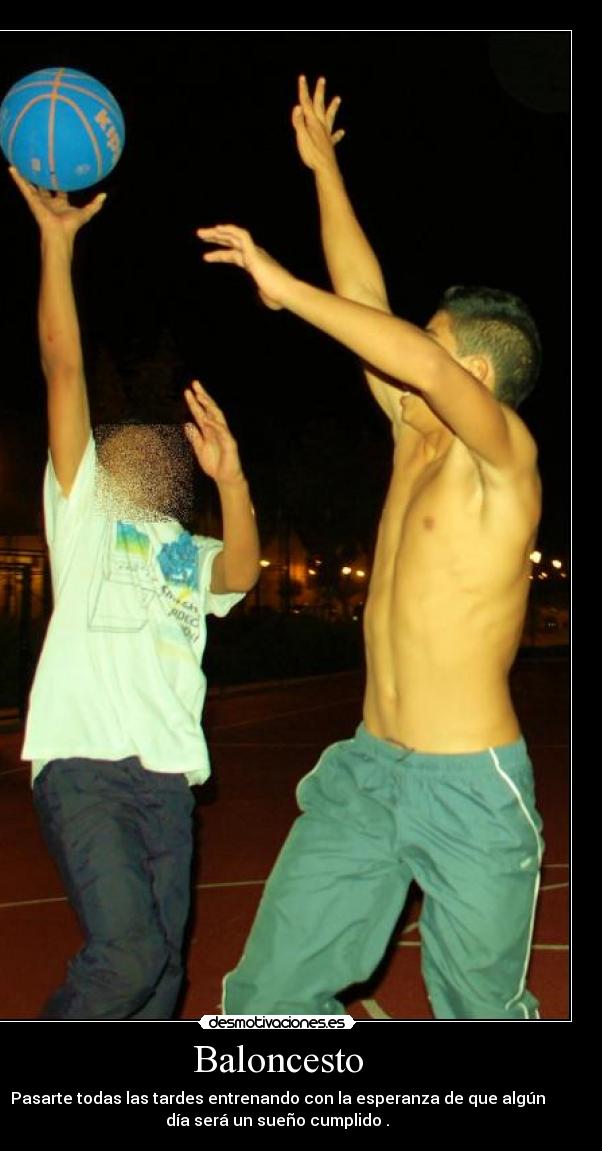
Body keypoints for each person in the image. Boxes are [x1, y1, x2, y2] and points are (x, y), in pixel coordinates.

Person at [197, 76, 544, 1020]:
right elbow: (367, 297)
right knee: (264, 999)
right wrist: (325, 171)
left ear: (475, 369)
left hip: (470, 787)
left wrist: (283, 286)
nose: (398, 352)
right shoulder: (410, 433)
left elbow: (411, 353)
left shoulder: (504, 461)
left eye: (427, 344)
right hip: (369, 769)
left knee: (480, 1013)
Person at [9, 166, 260, 1020]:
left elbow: (246, 573)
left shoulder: (187, 552)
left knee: (160, 983)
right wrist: (56, 244)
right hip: (85, 764)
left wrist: (233, 481)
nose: (154, 455)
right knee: (127, 954)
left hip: (167, 782)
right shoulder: (84, 510)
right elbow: (64, 368)